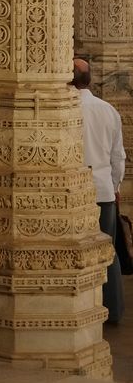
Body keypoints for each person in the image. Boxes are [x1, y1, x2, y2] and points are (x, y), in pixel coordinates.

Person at [73, 58, 127, 323]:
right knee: (108, 251)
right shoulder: (108, 110)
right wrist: (115, 186)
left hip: (74, 193)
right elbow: (118, 156)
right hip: (104, 190)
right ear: (89, 80)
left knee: (78, 250)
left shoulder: (66, 109)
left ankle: (83, 310)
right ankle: (113, 311)